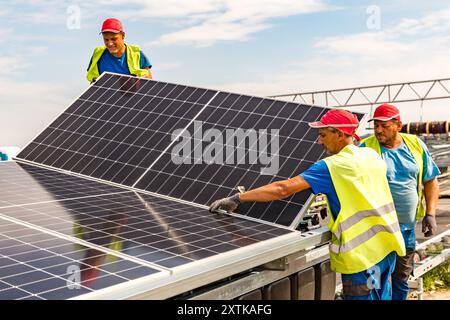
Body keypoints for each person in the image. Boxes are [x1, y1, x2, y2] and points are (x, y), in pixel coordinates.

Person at [209, 109, 406, 300]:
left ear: (339, 134)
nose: (318, 141)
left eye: (322, 134)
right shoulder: (371, 155)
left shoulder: (333, 166)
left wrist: (238, 198)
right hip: (386, 246)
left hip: (362, 256)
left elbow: (282, 189)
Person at [360, 103, 440, 300]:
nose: (378, 130)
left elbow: (430, 180)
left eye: (384, 125)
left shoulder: (415, 145)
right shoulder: (365, 148)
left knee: (401, 279)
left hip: (406, 229)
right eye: (376, 125)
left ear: (398, 125)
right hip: (377, 232)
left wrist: (430, 214)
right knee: (375, 281)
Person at [86, 18, 152, 83]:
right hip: (105, 94)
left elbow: (148, 82)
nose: (110, 43)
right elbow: (92, 80)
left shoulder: (136, 54)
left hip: (132, 93)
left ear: (123, 35)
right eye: (106, 40)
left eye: (113, 39)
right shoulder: (97, 54)